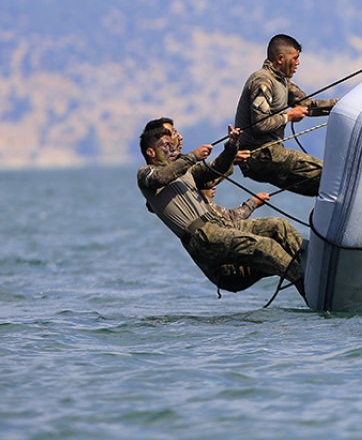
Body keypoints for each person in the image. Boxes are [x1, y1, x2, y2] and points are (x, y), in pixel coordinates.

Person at [136, 122, 305, 296]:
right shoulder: (146, 174)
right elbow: (160, 178)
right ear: (150, 152)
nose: (171, 148)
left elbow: (217, 169)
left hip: (219, 225)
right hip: (202, 236)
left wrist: (231, 146)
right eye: (165, 146)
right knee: (266, 246)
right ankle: (306, 281)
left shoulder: (185, 171)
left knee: (278, 226)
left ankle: (312, 265)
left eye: (171, 144)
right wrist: (193, 156)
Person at [233, 34, 336, 196]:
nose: (298, 63)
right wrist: (288, 116)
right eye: (295, 58)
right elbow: (260, 124)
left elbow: (308, 106)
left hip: (269, 156)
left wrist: (343, 105)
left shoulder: (282, 82)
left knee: (320, 186)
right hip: (259, 155)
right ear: (281, 58)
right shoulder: (262, 81)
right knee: (332, 176)